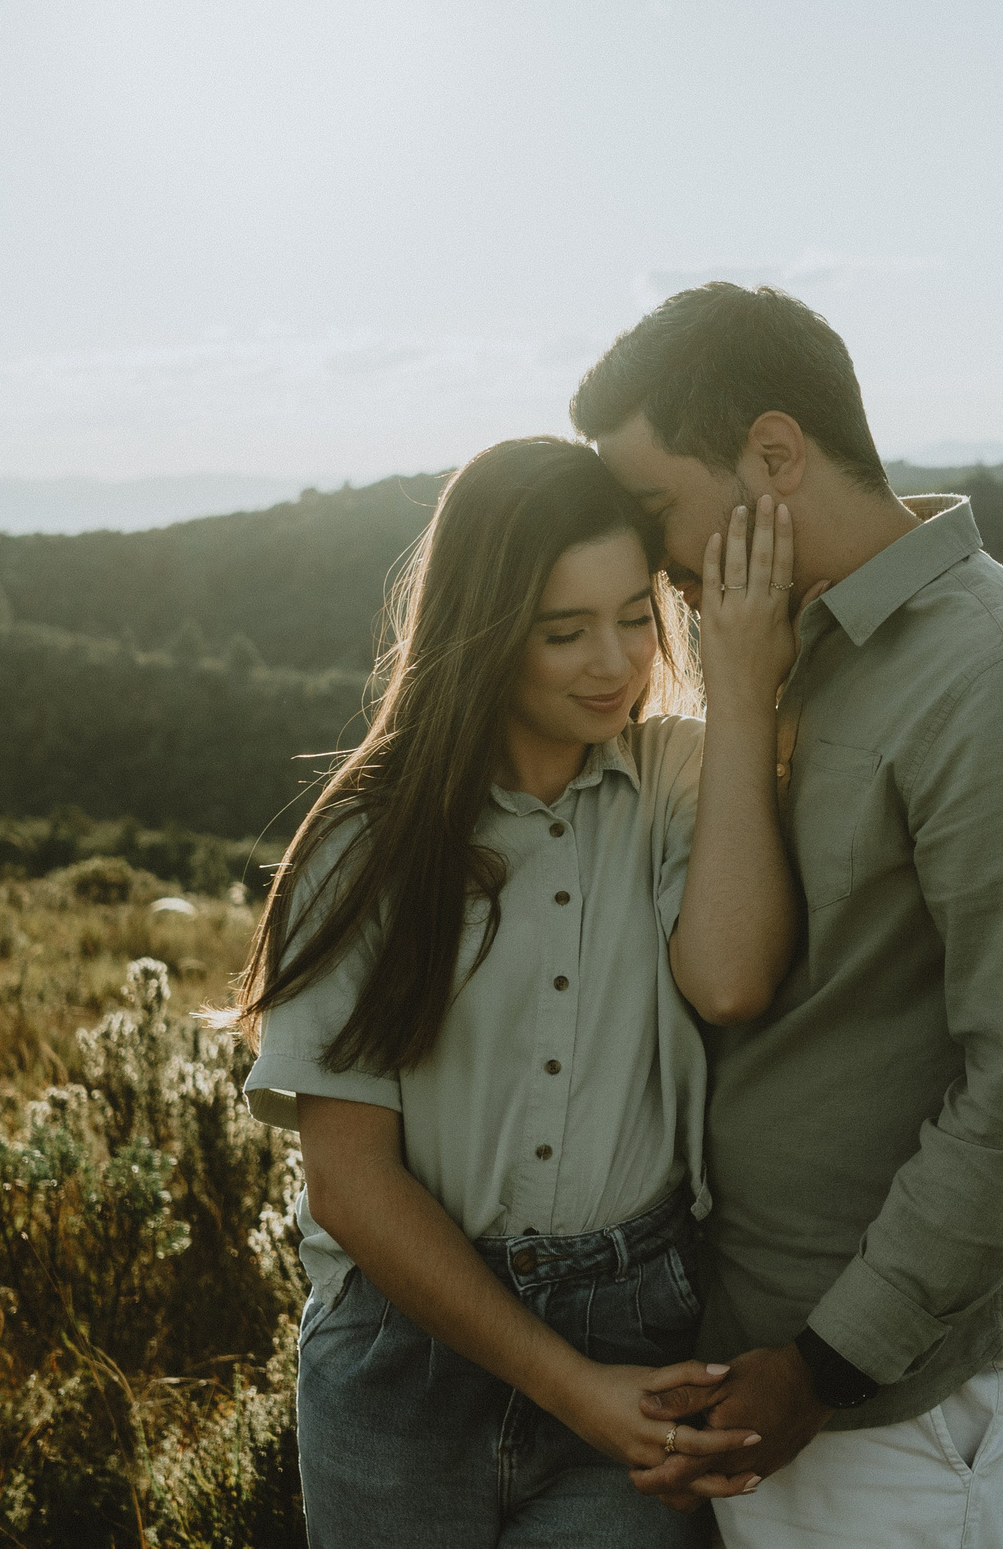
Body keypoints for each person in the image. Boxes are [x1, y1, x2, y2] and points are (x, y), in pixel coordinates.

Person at [574, 284, 1003, 1549]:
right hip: (766, 1349)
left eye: (653, 511)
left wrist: (827, 1363)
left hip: (899, 1392)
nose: (649, 559)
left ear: (774, 456)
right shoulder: (790, 651)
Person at [219, 435, 804, 1547]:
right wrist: (565, 1385)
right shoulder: (364, 843)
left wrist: (738, 683)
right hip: (404, 1347)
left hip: (640, 1332)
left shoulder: (678, 778)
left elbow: (730, 980)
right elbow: (349, 1184)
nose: (615, 663)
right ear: (485, 632)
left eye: (637, 616)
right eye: (562, 631)